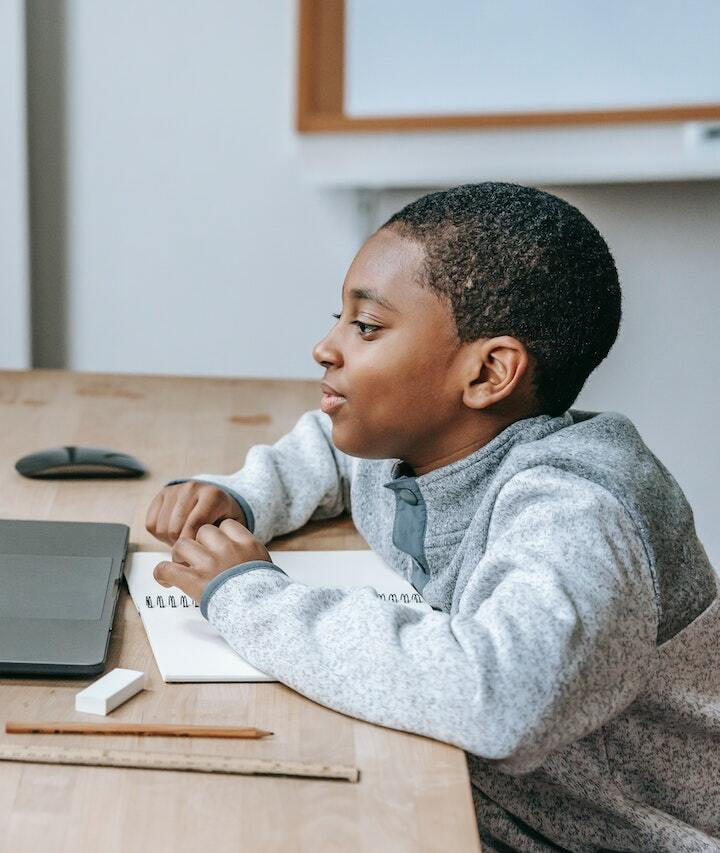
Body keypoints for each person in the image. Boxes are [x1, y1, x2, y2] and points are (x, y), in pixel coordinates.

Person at [146, 183, 719, 851]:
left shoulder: (580, 513)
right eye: (339, 318)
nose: (324, 347)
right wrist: (247, 494)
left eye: (365, 327)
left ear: (488, 373)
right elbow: (333, 452)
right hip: (503, 801)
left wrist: (251, 596)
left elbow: (502, 698)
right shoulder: (420, 443)